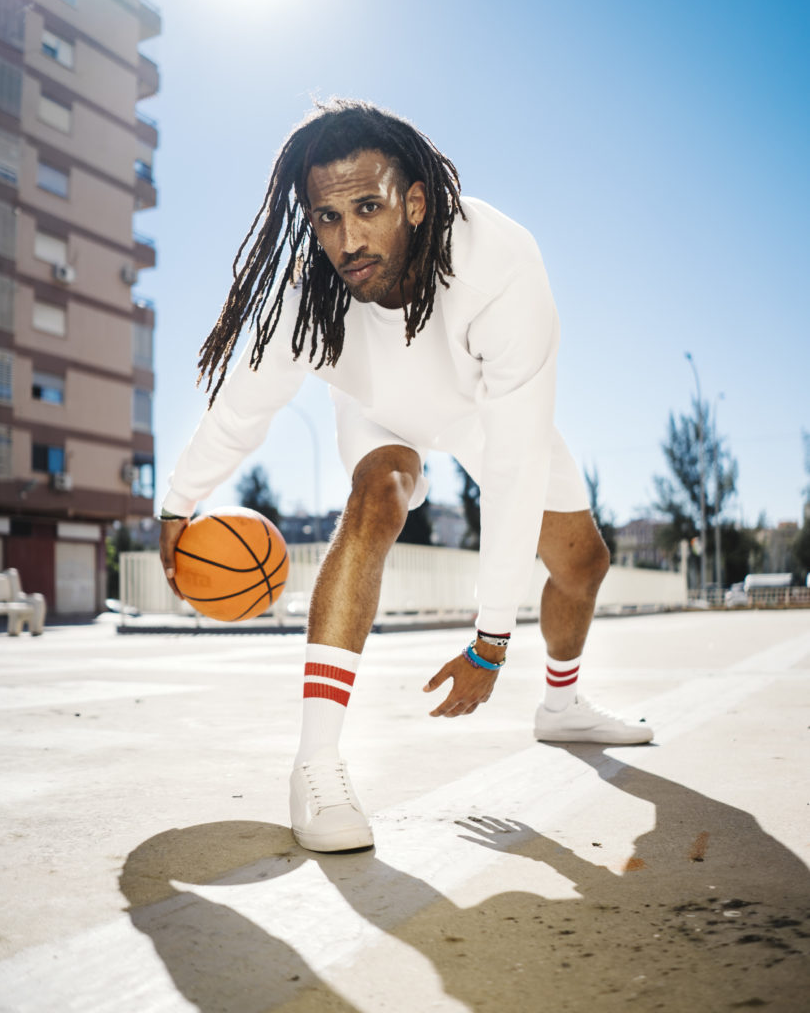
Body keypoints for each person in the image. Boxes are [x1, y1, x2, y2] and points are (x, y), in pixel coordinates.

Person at [159, 100, 652, 854]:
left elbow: (514, 470)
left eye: (366, 206)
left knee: (584, 564)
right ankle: (315, 763)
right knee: (377, 501)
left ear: (414, 201)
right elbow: (239, 412)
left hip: (487, 412)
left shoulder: (499, 265)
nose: (346, 238)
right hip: (379, 412)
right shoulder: (312, 299)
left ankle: (560, 705)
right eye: (324, 217)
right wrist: (176, 507)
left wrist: (491, 641)